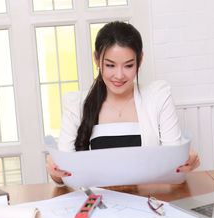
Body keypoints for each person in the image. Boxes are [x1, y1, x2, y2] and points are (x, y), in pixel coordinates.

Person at [47, 21, 200, 185]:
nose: (119, 75)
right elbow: (64, 173)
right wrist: (55, 172)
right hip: (99, 202)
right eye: (110, 65)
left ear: (140, 60)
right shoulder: (76, 104)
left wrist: (185, 161)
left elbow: (173, 163)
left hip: (147, 200)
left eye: (128, 65)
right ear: (97, 60)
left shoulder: (158, 97)